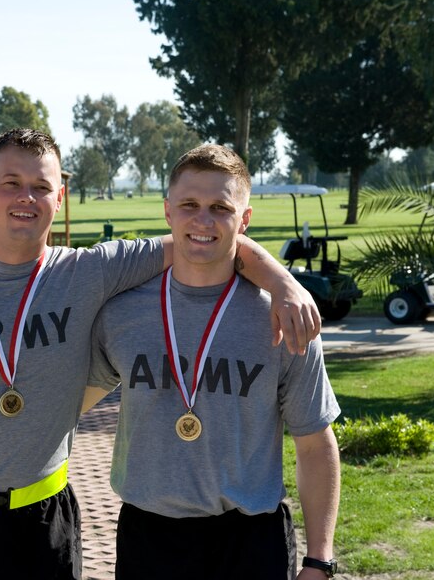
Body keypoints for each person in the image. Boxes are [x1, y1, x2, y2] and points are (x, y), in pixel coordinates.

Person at [0, 129, 322, 579]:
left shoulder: (93, 271)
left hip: (43, 520)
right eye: (11, 183)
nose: (26, 197)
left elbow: (205, 239)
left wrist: (282, 282)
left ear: (60, 197)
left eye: (41, 186)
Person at [86, 144, 341, 579]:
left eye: (220, 208)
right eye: (189, 205)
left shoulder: (283, 317)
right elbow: (72, 403)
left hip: (250, 540)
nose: (203, 220)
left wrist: (319, 560)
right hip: (149, 538)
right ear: (168, 211)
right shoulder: (122, 312)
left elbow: (316, 445)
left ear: (245, 219)